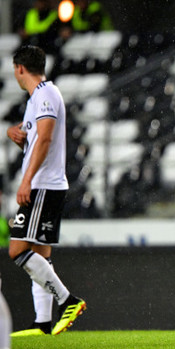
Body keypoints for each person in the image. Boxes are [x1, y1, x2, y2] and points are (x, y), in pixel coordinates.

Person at [6, 46, 86, 337]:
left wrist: (26, 181)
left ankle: (68, 300)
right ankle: (42, 323)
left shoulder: (45, 94)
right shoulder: (37, 98)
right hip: (45, 184)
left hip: (42, 185)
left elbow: (46, 139)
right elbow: (36, 142)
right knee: (40, 252)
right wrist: (17, 137)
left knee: (18, 250)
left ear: (19, 69)